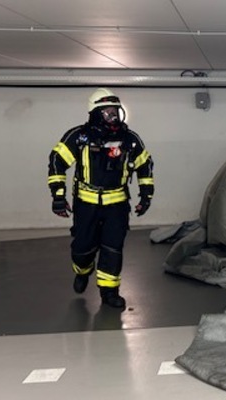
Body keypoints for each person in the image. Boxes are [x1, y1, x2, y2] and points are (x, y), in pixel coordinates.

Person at [47, 88, 154, 309]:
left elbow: (145, 166)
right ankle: (82, 270)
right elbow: (57, 161)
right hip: (86, 205)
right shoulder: (79, 137)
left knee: (113, 248)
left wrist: (146, 195)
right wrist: (58, 196)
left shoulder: (130, 139)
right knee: (82, 248)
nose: (113, 115)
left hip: (117, 205)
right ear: (95, 113)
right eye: (106, 111)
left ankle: (109, 293)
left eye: (115, 110)